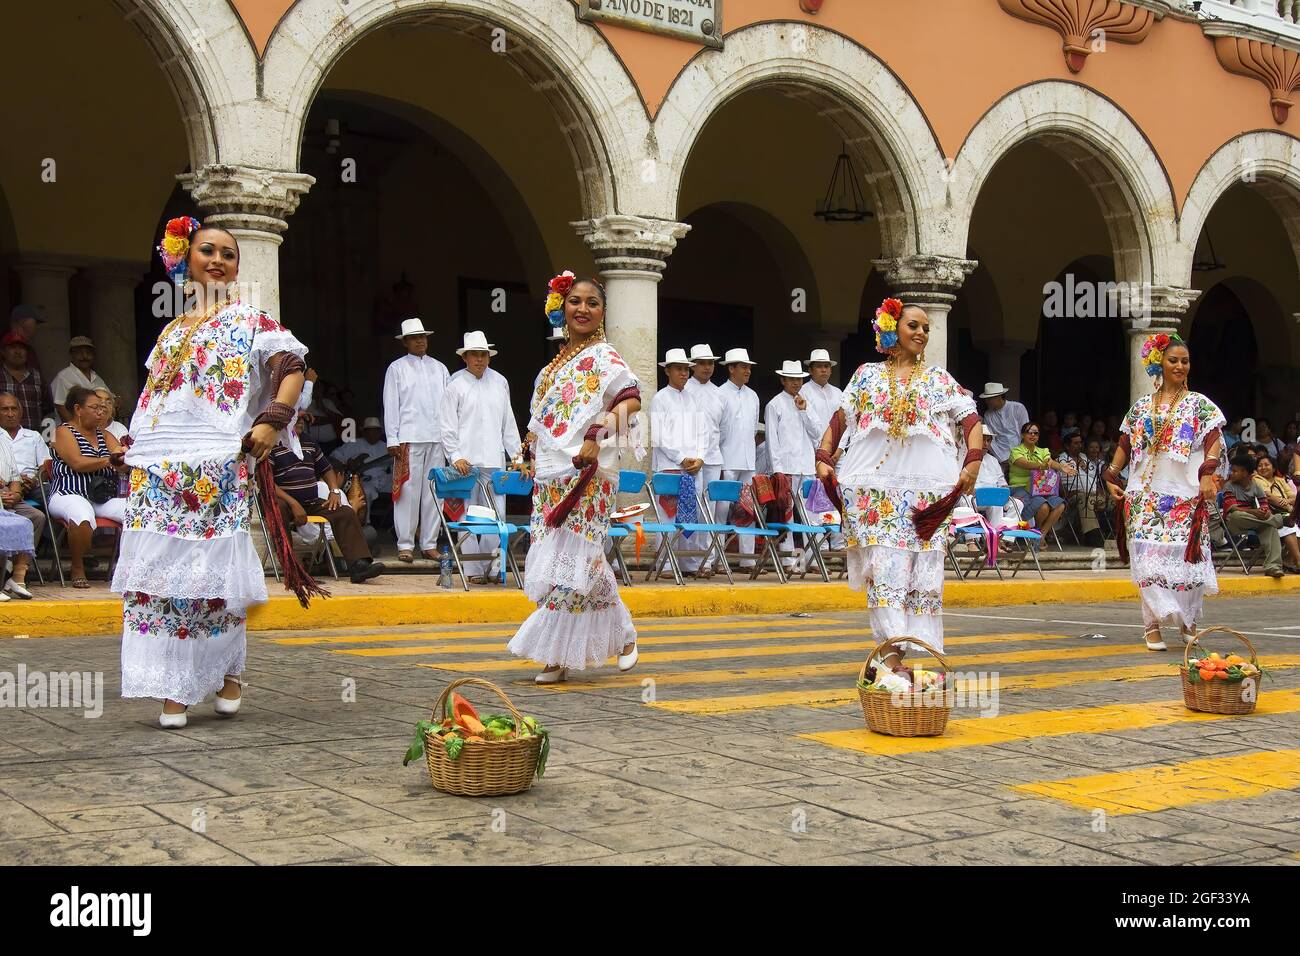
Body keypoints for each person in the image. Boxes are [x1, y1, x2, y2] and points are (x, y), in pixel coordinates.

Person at [113, 216, 310, 729]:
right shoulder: (171, 332)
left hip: (214, 466)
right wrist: (133, 446)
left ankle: (204, 681)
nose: (219, 260)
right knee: (158, 575)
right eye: (208, 250)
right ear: (185, 260)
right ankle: (195, 680)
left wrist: (272, 421)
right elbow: (155, 396)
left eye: (228, 253)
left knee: (207, 571)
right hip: (158, 469)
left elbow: (290, 369)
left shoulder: (250, 320)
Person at [816, 298, 981, 662]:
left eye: (926, 328)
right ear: (892, 329)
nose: (922, 332)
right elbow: (841, 418)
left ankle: (920, 652)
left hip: (927, 497)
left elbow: (970, 421)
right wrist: (823, 457)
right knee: (886, 575)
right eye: (914, 326)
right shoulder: (867, 375)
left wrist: (973, 462)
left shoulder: (939, 379)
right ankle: (891, 657)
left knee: (922, 576)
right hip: (873, 494)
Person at [506, 272, 641, 684]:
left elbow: (630, 400)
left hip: (588, 473)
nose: (583, 308)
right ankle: (624, 632)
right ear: (561, 308)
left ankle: (555, 655)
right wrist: (526, 453)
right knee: (569, 559)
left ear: (602, 313)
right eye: (575, 301)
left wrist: (595, 437)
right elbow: (541, 423)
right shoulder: (551, 368)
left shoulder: (604, 356)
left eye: (592, 303)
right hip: (550, 476)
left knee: (576, 558)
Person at [1104, 333, 1226, 650]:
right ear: (1159, 363)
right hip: (1144, 495)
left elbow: (1213, 442)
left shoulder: (1200, 405)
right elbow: (1125, 444)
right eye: (1173, 360)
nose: (1180, 366)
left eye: (1185, 361)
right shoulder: (1141, 407)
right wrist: (1112, 476)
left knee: (1189, 561)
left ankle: (1188, 621)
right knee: (1147, 560)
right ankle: (1152, 626)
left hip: (1185, 495)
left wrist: (1207, 475)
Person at [442, 330, 522, 583]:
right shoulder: (455, 385)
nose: (479, 359)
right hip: (465, 463)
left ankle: (492, 568)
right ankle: (473, 571)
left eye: (483, 355)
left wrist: (517, 456)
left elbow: (508, 423)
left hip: (494, 459)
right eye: (474, 355)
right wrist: (455, 456)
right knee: (467, 516)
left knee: (496, 516)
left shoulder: (500, 382)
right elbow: (447, 425)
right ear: (465, 357)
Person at [269, 415, 384, 584]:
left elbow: (326, 468)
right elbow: (266, 483)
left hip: (309, 501)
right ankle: (291, 568)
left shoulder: (309, 442)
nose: (301, 421)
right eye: (297, 418)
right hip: (283, 501)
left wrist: (334, 491)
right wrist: (293, 504)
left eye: (304, 419)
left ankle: (359, 566)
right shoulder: (273, 442)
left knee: (344, 512)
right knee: (278, 509)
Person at [383, 317, 450, 563]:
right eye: (414, 338)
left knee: (434, 491)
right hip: (408, 437)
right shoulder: (397, 368)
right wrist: (392, 437)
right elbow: (391, 404)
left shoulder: (440, 368)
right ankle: (405, 544)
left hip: (437, 437)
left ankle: (430, 543)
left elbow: (449, 405)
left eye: (422, 337)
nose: (420, 341)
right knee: (408, 492)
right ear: (406, 343)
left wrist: (450, 438)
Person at [49, 386, 127, 588]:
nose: (101, 412)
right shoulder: (61, 432)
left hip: (101, 498)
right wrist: (110, 460)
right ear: (78, 409)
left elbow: (122, 462)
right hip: (68, 493)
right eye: (95, 408)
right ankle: (77, 567)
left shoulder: (106, 435)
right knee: (81, 513)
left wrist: (125, 457)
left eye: (103, 408)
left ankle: (128, 567)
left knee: (136, 512)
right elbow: (78, 463)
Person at [650, 348, 705, 578]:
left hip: (693, 467)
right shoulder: (660, 398)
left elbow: (702, 431)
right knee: (668, 516)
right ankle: (665, 563)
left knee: (692, 514)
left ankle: (689, 563)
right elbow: (660, 436)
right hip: (669, 465)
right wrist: (681, 458)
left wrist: (700, 456)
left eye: (686, 369)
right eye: (679, 369)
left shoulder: (693, 398)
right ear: (668, 371)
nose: (684, 373)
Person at [765, 359, 818, 569]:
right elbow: (771, 440)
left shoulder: (805, 401)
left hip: (807, 465)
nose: (796, 383)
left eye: (799, 379)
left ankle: (813, 559)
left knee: (811, 515)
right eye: (792, 379)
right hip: (786, 467)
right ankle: (788, 560)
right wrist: (777, 469)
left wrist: (804, 411)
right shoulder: (774, 404)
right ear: (783, 380)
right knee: (786, 516)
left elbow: (817, 433)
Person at [0, 391, 50, 595]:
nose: (10, 414)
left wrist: (16, 492)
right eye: (5, 409)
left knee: (36, 517)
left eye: (14, 409)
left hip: (13, 492)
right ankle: (4, 572)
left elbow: (13, 474)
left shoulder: (5, 440)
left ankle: (18, 575)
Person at [684, 344, 724, 576]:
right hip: (691, 459)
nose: (707, 367)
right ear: (693, 366)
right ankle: (691, 561)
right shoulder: (685, 389)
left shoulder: (718, 393)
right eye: (702, 363)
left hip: (713, 457)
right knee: (693, 509)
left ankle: (707, 561)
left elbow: (722, 429)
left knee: (709, 510)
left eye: (710, 363)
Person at [800, 348, 846, 551]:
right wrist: (821, 454)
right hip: (813, 452)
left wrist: (839, 450)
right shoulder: (803, 392)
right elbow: (808, 427)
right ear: (811, 370)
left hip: (837, 454)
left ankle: (837, 542)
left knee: (840, 494)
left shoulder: (838, 393)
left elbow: (847, 425)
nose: (824, 370)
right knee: (815, 497)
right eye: (819, 366)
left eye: (827, 366)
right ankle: (818, 547)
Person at [718, 348, 760, 567]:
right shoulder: (720, 393)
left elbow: (753, 429)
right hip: (726, 457)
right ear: (731, 368)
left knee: (747, 509)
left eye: (749, 367)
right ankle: (714, 557)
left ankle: (747, 559)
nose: (748, 371)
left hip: (747, 459)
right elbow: (719, 430)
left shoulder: (753, 395)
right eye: (743, 367)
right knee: (721, 509)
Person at [1221, 454, 1285, 578]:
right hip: (1235, 523)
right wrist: (1254, 512)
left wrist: (1264, 513)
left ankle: (1273, 567)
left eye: (1235, 471)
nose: (1231, 474)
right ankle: (1280, 520)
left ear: (1245, 473)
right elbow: (1232, 508)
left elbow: (1264, 505)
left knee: (1270, 527)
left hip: (1255, 522)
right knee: (1236, 515)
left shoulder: (1256, 486)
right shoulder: (1229, 486)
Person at [1008, 421, 1073, 540]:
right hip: (1021, 487)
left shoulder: (1043, 451)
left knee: (1060, 505)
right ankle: (1036, 535)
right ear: (1022, 435)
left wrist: (1061, 467)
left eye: (1036, 433)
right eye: (1029, 432)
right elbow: (1024, 463)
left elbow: (1050, 462)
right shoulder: (1015, 451)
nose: (1033, 435)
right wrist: (1040, 465)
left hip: (1040, 489)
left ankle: (1040, 535)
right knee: (1043, 506)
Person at [0, 427, 37, 601]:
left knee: (27, 522)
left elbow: (14, 475)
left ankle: (17, 577)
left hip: (6, 492)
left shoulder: (3, 436)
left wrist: (14, 495)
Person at [332, 416, 391, 512]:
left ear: (380, 432)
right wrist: (347, 463)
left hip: (383, 479)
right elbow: (334, 457)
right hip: (363, 480)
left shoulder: (387, 447)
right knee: (365, 492)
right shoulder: (353, 444)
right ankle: (366, 523)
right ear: (364, 432)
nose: (373, 434)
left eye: (376, 431)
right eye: (369, 431)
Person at [1253, 454, 1300, 573]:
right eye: (1260, 465)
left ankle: (1290, 560)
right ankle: (1298, 561)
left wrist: (1287, 503)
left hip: (1287, 511)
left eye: (1266, 465)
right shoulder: (1256, 480)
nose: (1263, 467)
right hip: (1268, 514)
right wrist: (1289, 506)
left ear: (1274, 468)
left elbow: (1294, 496)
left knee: (1295, 524)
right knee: (1289, 525)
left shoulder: (1280, 480)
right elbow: (1268, 496)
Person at [0, 331, 53, 432]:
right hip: (4, 440)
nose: (18, 352)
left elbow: (49, 412)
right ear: (3, 352)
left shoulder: (37, 377)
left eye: (22, 348)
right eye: (12, 347)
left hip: (35, 439)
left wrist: (49, 440)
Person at [51, 336, 110, 422]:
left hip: (95, 430)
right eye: (79, 353)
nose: (84, 356)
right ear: (71, 355)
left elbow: (109, 398)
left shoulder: (96, 377)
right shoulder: (63, 377)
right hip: (72, 432)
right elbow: (61, 407)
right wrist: (76, 430)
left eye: (88, 353)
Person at [979, 383, 1028, 470]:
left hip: (1021, 455)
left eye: (990, 398)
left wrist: (1019, 455)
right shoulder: (988, 415)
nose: (987, 401)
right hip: (1001, 458)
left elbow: (1026, 432)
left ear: (1000, 396)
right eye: (987, 399)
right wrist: (1002, 459)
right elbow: (990, 439)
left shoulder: (1018, 408)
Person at [1057, 428, 1089, 536]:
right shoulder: (1061, 460)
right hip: (1073, 496)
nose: (1079, 445)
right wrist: (1066, 494)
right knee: (1084, 499)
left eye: (1080, 443)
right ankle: (1092, 534)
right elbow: (1058, 484)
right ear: (1067, 446)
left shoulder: (1084, 457)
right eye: (1076, 443)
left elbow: (1093, 477)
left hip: (1093, 494)